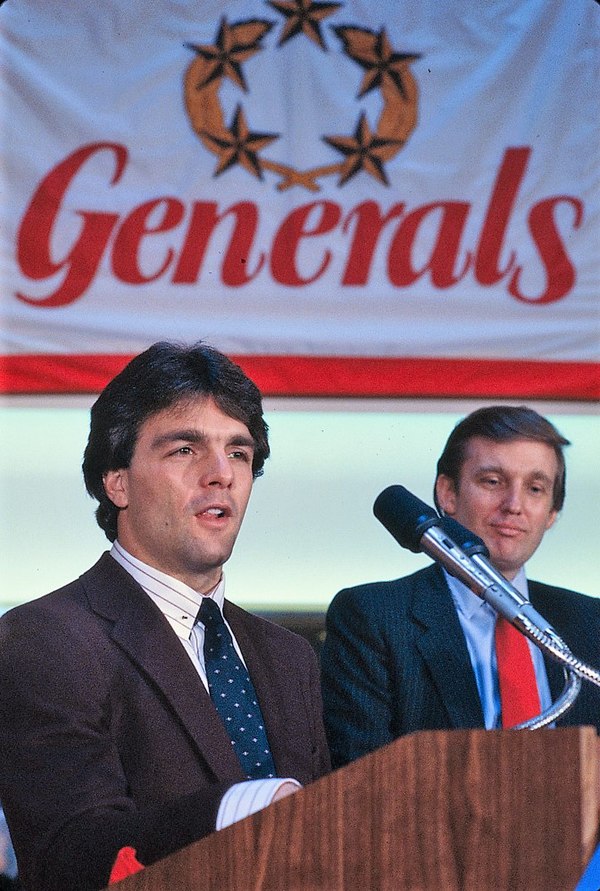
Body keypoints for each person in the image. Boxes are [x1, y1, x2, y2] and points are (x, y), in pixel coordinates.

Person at [0, 341, 330, 891]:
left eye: (239, 454)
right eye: (185, 450)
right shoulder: (45, 638)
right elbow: (71, 854)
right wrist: (244, 808)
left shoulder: (288, 656)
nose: (221, 474)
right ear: (117, 481)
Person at [321, 405, 600, 769]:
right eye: (493, 482)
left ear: (551, 513)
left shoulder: (591, 623)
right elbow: (361, 775)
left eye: (534, 488)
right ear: (447, 494)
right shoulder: (373, 616)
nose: (514, 505)